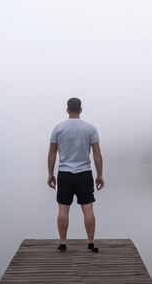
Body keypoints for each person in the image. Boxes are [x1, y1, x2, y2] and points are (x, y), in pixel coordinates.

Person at [47, 97, 104, 253]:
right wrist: (100, 175)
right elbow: (97, 155)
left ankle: (63, 244)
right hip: (84, 173)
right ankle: (91, 244)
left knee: (63, 210)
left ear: (67, 110)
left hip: (64, 174)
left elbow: (52, 154)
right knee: (88, 209)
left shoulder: (58, 128)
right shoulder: (90, 129)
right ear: (80, 110)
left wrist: (50, 174)